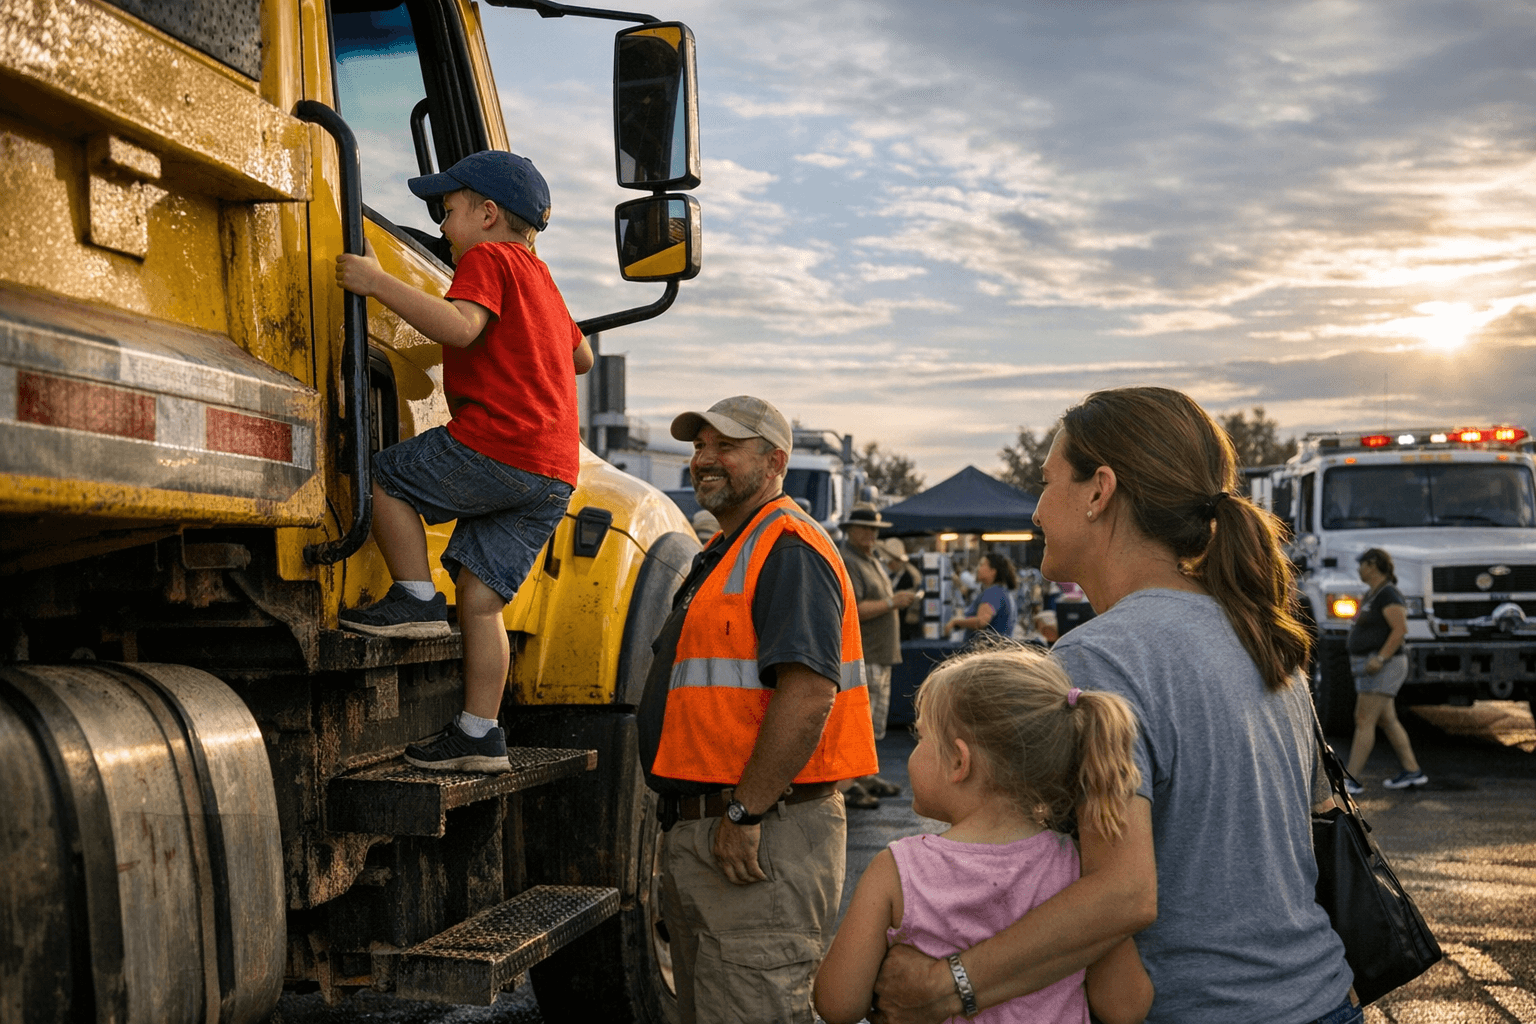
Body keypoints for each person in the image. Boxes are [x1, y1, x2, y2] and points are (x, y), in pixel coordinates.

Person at [871, 387, 1355, 1024]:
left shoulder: (1098, 658)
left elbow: (1123, 894)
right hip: (1321, 997)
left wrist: (947, 984)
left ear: (1100, 491)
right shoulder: (1256, 632)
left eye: (1046, 483)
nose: (1037, 511)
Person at [333, 150, 593, 773]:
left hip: (499, 444)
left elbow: (459, 327)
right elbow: (580, 359)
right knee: (480, 601)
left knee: (385, 476)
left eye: (447, 211)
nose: (444, 227)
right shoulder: (542, 277)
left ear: (487, 213)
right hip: (552, 473)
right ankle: (479, 734)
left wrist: (378, 282)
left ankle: (415, 598)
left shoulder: (487, 258)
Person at [636, 395, 880, 1024]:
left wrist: (746, 809)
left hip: (758, 836)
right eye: (698, 446)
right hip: (718, 834)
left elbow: (808, 693)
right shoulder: (727, 548)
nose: (705, 459)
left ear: (774, 461)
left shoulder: (787, 548)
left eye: (726, 446)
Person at [814, 645, 1153, 1024]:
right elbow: (1126, 1005)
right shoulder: (1076, 869)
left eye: (921, 737)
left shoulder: (898, 870)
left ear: (960, 761)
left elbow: (837, 1004)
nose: (915, 750)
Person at [838, 504, 917, 808]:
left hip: (878, 654)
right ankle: (846, 783)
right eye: (865, 528)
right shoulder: (849, 560)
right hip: (865, 654)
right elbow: (852, 609)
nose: (872, 534)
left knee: (871, 724)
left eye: (875, 530)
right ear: (850, 530)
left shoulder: (868, 559)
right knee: (857, 722)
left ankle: (863, 776)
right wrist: (890, 602)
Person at [1344, 548, 1426, 792]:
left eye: (1361, 564)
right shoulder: (1374, 593)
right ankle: (1413, 771)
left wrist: (1380, 658)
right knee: (1388, 720)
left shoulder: (1388, 594)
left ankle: (1352, 779)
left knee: (1363, 719)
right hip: (1372, 666)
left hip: (1383, 666)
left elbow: (1400, 630)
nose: (1358, 569)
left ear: (1372, 565)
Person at [946, 552, 1017, 642]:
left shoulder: (993, 593)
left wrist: (955, 621)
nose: (977, 568)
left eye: (982, 565)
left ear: (993, 571)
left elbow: (981, 622)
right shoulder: (1002, 591)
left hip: (988, 652)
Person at [882, 537, 926, 644]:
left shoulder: (911, 577)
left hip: (906, 632)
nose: (889, 565)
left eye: (891, 561)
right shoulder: (891, 575)